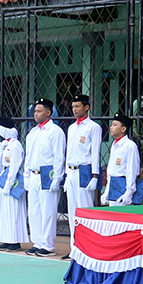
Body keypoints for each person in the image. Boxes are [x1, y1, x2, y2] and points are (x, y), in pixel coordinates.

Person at [24, 100, 66, 257]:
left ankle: (47, 245)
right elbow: (28, 157)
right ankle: (37, 242)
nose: (36, 114)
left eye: (39, 111)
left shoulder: (55, 131)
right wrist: (26, 176)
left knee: (47, 210)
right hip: (33, 174)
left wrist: (57, 178)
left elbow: (58, 157)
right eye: (35, 111)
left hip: (47, 174)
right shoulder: (32, 133)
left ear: (48, 113)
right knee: (34, 210)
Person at [63, 94, 101, 257]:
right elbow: (68, 152)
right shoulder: (72, 127)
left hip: (85, 171)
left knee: (85, 210)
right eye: (73, 106)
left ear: (86, 107)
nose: (74, 109)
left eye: (77, 106)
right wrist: (65, 174)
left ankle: (87, 248)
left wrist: (95, 175)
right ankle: (74, 248)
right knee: (72, 212)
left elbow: (95, 152)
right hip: (71, 171)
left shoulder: (93, 127)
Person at [0, 118, 29, 252]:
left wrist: (9, 184)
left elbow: (14, 166)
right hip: (5, 177)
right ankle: (7, 239)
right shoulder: (6, 145)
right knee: (5, 211)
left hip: (13, 180)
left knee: (14, 211)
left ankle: (15, 241)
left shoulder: (15, 145)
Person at [104, 114, 143, 207]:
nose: (111, 127)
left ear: (123, 129)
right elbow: (111, 171)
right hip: (113, 187)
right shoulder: (114, 145)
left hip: (124, 187)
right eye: (111, 125)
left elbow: (132, 171)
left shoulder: (130, 146)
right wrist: (107, 191)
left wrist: (129, 192)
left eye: (115, 125)